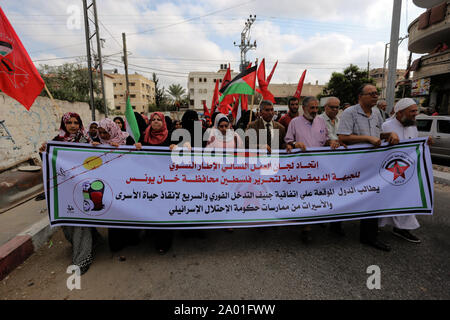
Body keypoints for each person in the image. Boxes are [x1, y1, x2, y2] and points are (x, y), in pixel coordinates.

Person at [337, 84, 400, 252]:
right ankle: (335, 224)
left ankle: (369, 236)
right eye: (371, 94)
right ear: (360, 96)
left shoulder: (377, 113)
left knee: (373, 196)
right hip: (354, 164)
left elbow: (379, 135)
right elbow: (343, 136)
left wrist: (391, 135)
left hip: (374, 164)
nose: (375, 96)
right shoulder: (349, 113)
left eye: (376, 93)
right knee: (345, 194)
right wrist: (367, 139)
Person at [39, 112, 99, 275]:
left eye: (76, 123)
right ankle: (91, 242)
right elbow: (49, 162)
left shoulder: (86, 140)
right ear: (64, 124)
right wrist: (43, 151)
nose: (73, 126)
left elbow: (96, 160)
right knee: (68, 223)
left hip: (83, 188)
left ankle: (81, 259)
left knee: (80, 223)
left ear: (80, 124)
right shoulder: (57, 141)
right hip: (64, 189)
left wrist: (95, 147)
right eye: (69, 123)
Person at [285, 96, 341, 243]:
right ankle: (306, 229)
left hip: (320, 167)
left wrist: (332, 142)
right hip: (302, 168)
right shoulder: (294, 122)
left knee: (317, 196)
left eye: (317, 108)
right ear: (304, 108)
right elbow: (288, 142)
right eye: (312, 108)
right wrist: (295, 144)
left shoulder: (321, 121)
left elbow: (326, 139)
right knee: (305, 197)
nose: (315, 111)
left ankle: (314, 219)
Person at [379, 98, 431, 243]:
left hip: (407, 171)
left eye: (416, 111)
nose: (415, 114)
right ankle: (375, 226)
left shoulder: (412, 127)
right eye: (412, 111)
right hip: (388, 172)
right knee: (385, 201)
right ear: (400, 112)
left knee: (407, 201)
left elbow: (413, 146)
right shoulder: (386, 126)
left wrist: (426, 142)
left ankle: (402, 229)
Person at [93, 118, 142, 252]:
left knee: (128, 211)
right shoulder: (98, 143)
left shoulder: (127, 140)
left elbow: (138, 158)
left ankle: (132, 237)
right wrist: (95, 148)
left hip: (127, 182)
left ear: (112, 129)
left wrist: (134, 148)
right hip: (110, 183)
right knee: (114, 212)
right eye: (100, 132)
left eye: (105, 132)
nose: (103, 136)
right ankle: (116, 242)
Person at [142, 112, 177, 254]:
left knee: (163, 210)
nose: (156, 122)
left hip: (166, 180)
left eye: (158, 120)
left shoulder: (171, 136)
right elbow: (137, 157)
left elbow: (183, 153)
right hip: (148, 180)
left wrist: (177, 148)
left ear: (163, 122)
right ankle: (152, 234)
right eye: (153, 120)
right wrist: (137, 147)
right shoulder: (144, 136)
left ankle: (164, 242)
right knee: (151, 209)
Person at [319, 97, 345, 236]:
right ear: (325, 107)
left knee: (338, 193)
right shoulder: (318, 121)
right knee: (323, 192)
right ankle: (320, 218)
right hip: (323, 163)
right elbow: (319, 139)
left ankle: (336, 224)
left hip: (339, 164)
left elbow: (344, 137)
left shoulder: (341, 121)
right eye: (332, 107)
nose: (335, 110)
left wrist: (341, 141)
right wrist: (330, 141)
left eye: (337, 107)